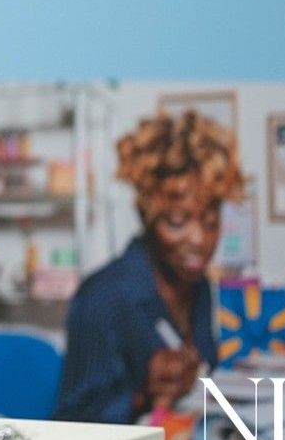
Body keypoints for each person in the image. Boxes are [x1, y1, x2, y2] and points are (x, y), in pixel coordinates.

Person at [54, 110, 245, 423]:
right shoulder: (102, 300)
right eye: (176, 221)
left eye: (210, 220)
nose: (199, 240)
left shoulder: (198, 286)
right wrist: (144, 395)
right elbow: (71, 425)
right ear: (147, 216)